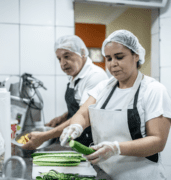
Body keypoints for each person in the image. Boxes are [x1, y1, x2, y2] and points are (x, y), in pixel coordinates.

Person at [60, 30, 171, 180]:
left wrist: (116, 148)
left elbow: (158, 141)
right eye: (109, 58)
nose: (113, 64)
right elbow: (83, 114)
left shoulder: (153, 90)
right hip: (107, 174)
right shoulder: (103, 87)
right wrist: (75, 127)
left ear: (136, 55)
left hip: (142, 175)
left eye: (119, 57)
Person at [22, 35, 108, 150]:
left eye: (66, 56)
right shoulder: (75, 76)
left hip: (93, 143)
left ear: (82, 53)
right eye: (59, 59)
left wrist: (44, 136)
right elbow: (80, 107)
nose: (62, 64)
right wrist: (62, 117)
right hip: (78, 139)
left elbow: (85, 114)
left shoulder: (95, 77)